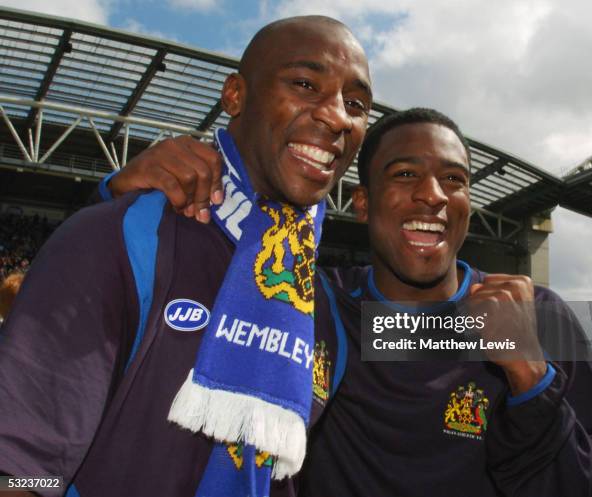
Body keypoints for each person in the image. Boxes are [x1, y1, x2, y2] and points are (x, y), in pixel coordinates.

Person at [112, 108, 592, 496]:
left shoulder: (539, 315)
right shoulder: (311, 304)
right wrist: (124, 199)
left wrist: (531, 379)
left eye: (454, 180)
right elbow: (151, 308)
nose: (433, 195)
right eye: (404, 175)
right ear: (363, 202)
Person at [0, 16, 372, 497]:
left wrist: (479, 315)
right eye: (304, 84)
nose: (338, 116)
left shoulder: (330, 312)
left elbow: (430, 346)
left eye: (357, 104)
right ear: (235, 95)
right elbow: (23, 472)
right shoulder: (123, 236)